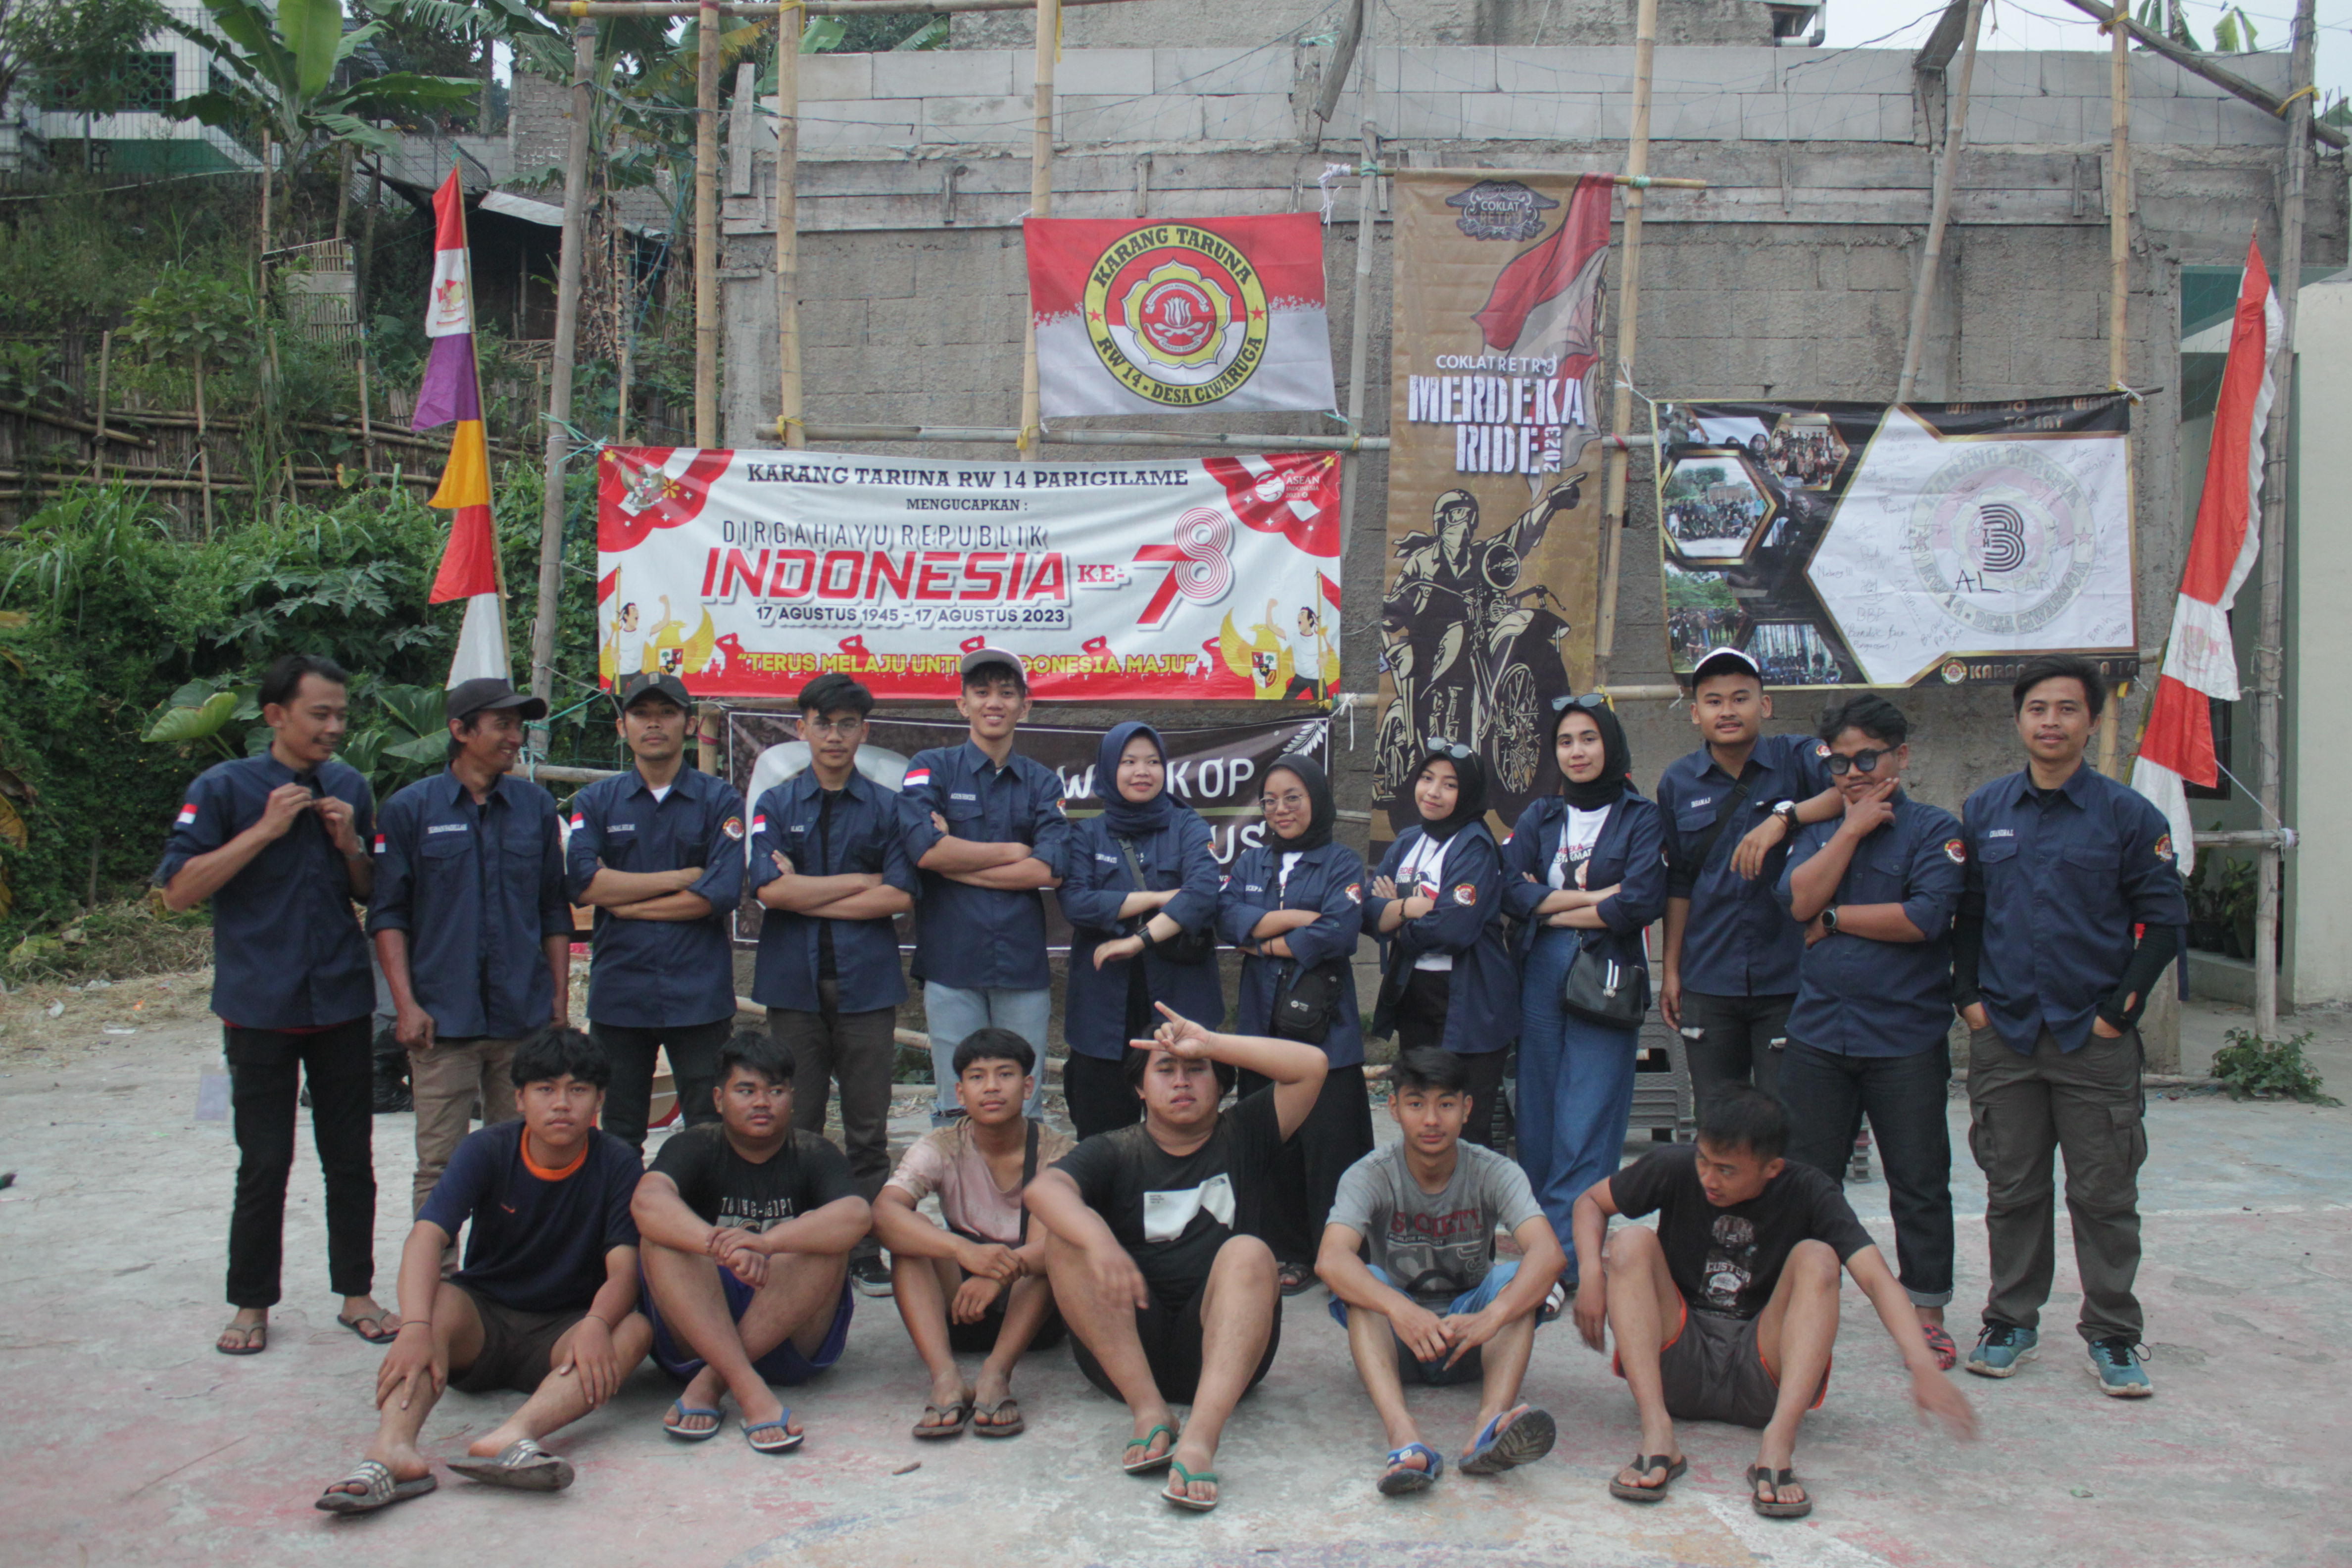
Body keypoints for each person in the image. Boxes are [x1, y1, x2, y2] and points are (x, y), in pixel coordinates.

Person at [1570, 1086, 1974, 1518]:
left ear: (1772, 1169)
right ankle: (1657, 1436)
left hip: (1761, 1370)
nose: (1709, 1179)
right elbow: (1591, 1202)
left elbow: (1876, 1278)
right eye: (1704, 1161)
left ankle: (1779, 1443)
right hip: (1679, 1360)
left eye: (1727, 1170)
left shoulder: (1809, 1189)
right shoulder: (1675, 1167)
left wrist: (1921, 1363)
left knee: (1818, 1257)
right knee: (1631, 1242)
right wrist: (1592, 1274)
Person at [1953, 654, 2186, 1397]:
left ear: (2091, 721)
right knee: (2012, 1187)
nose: (2051, 722)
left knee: (2104, 1193)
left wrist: (2120, 1014)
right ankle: (2010, 1321)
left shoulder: (2128, 816)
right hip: (2008, 1035)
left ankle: (2113, 1334)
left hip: (2093, 1038)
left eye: (2067, 709)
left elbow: (2164, 921)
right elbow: (1968, 914)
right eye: (2038, 709)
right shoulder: (1986, 810)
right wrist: (1969, 1000)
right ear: (2019, 720)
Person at [158, 652, 394, 1356]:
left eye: (341, 715)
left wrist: (350, 845)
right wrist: (262, 831)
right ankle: (252, 1303)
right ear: (275, 716)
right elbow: (178, 891)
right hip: (258, 1004)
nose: (335, 728)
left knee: (350, 1158)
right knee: (264, 1161)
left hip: (342, 1002)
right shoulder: (223, 788)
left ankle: (356, 1293)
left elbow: (369, 891)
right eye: (320, 714)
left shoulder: (349, 786)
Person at [312, 1028, 652, 1513]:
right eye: (545, 1089)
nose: (562, 1104)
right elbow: (427, 1237)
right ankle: (393, 1452)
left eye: (578, 1090)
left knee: (635, 1329)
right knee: (437, 1302)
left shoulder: (619, 1162)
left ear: (599, 1100)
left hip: (565, 1332)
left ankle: (514, 1436)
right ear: (519, 1099)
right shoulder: (487, 1149)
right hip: (483, 1320)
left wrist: (598, 1323)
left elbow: (624, 1269)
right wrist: (415, 1326)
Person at [1027, 1004, 1329, 1513]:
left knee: (1250, 1251)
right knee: (1068, 1237)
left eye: (1197, 1070)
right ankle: (1150, 1413)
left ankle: (1200, 1440)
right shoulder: (1115, 1149)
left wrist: (1211, 1043)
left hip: (1225, 1352)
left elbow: (1312, 1067)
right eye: (1165, 1070)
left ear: (1222, 1085)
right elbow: (1044, 1191)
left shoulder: (1246, 1132)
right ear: (1140, 1089)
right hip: (1125, 1356)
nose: (1182, 1082)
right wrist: (1099, 1241)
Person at [1774, 694, 1966, 1369]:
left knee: (1919, 1178)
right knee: (1807, 1179)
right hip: (1820, 1033)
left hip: (1904, 1036)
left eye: (1868, 760)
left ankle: (1927, 1312)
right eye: (1840, 763)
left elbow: (1924, 918)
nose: (1853, 774)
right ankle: (1800, 1303)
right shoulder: (1823, 832)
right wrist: (1850, 831)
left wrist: (1834, 920)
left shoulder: (1935, 830)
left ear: (1900, 758)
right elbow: (1800, 899)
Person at [369, 678, 572, 1232]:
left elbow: (553, 911)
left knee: (524, 1160)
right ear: (460, 730)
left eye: (518, 725)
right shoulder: (409, 810)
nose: (515, 738)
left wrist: (558, 1000)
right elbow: (388, 916)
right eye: (502, 725)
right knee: (441, 1167)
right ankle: (436, 1275)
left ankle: (508, 1273)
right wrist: (406, 1006)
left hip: (522, 1019)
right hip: (441, 1022)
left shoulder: (535, 807)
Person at [1317, 1049, 1567, 1496]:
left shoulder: (1495, 1171)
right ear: (1394, 1108)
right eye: (1416, 1104)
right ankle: (1403, 1434)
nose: (1431, 1120)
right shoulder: (1369, 1174)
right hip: (1398, 1340)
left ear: (1467, 1109)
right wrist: (1400, 1310)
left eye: (1446, 1104)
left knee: (1514, 1280)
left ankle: (1490, 1424)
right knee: (1362, 1281)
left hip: (1473, 1337)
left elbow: (1549, 1254)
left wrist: (1494, 1315)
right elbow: (1331, 1259)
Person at [748, 673, 918, 1297]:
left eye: (848, 724)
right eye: (823, 723)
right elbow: (769, 891)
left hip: (867, 986)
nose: (835, 735)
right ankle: (800, 1244)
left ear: (864, 732)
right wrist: (858, 882)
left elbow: (899, 896)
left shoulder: (889, 807)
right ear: (802, 729)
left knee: (868, 1130)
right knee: (797, 1125)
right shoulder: (775, 804)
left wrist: (806, 891)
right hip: (792, 985)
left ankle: (866, 1248)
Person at [630, 1029, 869, 1452]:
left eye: (775, 1091)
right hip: (698, 1337)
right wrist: (718, 1244)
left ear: (792, 1098)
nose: (762, 1103)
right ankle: (749, 1388)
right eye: (746, 1091)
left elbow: (856, 1216)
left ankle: (713, 1383)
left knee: (823, 1237)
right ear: (719, 1099)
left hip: (790, 1340)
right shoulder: (694, 1146)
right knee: (661, 1240)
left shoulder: (814, 1152)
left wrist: (768, 1244)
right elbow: (647, 1202)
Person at [1500, 695, 1666, 1276]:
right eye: (1566, 741)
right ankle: (1543, 1243)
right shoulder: (1541, 816)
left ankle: (1563, 1263)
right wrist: (1594, 898)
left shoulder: (1641, 816)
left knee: (1588, 1115)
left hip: (1607, 970)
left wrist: (1550, 908)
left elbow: (1639, 902)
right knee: (1538, 1113)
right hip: (1541, 967)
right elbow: (1509, 890)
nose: (1577, 752)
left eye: (1589, 739)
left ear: (1611, 745)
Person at [565, 671, 747, 1155]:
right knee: (618, 1132)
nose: (654, 724)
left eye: (667, 713)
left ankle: (701, 1210)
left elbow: (718, 894)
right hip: (621, 993)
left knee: (710, 1129)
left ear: (689, 724)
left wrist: (624, 902)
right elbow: (585, 883)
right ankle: (623, 1209)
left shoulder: (720, 799)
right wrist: (681, 876)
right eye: (641, 713)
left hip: (699, 995)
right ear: (622, 726)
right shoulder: (596, 801)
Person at [1654, 647, 1842, 1115]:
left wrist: (1785, 818)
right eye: (1714, 701)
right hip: (1709, 977)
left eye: (1741, 698)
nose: (1728, 711)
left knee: (1790, 1117)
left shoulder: (1799, 758)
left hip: (1790, 975)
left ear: (1765, 705)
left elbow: (1852, 790)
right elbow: (1679, 882)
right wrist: (1672, 971)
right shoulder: (1678, 781)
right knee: (1718, 1120)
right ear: (1695, 714)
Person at [1215, 754, 1372, 1294]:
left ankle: (1338, 1253)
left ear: (1317, 801)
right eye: (1271, 800)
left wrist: (1266, 944)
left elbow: (1341, 932)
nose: (1281, 809)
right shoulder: (1252, 863)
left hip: (1326, 1028)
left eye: (1293, 798)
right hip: (1262, 1026)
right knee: (1271, 1142)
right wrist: (1297, 923)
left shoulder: (1342, 861)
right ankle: (1285, 1251)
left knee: (1332, 1146)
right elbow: (1227, 919)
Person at [874, 1028, 1073, 1439]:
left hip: (1033, 1316)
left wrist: (1001, 1271)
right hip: (960, 1307)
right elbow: (884, 1213)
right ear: (960, 1093)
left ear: (1029, 1087)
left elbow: (1069, 1244)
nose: (992, 1087)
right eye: (978, 1077)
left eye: (1005, 1074)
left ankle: (996, 1374)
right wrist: (963, 1251)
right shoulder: (942, 1145)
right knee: (909, 1238)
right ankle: (945, 1377)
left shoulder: (1057, 1151)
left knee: (1055, 1230)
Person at [900, 647, 1069, 1126]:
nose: (994, 702)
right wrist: (1014, 850)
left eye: (1007, 693)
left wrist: (954, 856)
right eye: (981, 692)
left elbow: (1050, 869)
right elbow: (924, 851)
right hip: (951, 962)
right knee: (958, 1105)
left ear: (1024, 706)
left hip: (1021, 964)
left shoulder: (1042, 783)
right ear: (963, 704)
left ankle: (1024, 1180)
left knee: (1024, 1107)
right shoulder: (931, 767)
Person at [1057, 722, 1224, 1139]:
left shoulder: (1188, 826)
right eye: (1129, 762)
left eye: (1152, 762)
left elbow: (1203, 894)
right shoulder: (1087, 833)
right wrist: (1158, 897)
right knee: (1102, 1132)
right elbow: (1076, 902)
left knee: (1188, 1127)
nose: (1142, 772)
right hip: (1103, 1007)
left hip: (1179, 995)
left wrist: (1137, 940)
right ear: (1109, 769)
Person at [1366, 744, 1518, 1149]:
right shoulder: (1408, 841)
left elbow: (1454, 929)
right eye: (1427, 779)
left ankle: (1471, 1193)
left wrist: (1397, 923)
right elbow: (1366, 910)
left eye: (1450, 785)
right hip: (1415, 997)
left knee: (1465, 1126)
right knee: (1421, 1114)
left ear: (1468, 793)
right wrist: (1410, 908)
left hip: (1470, 1003)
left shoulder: (1475, 845)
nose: (1433, 792)